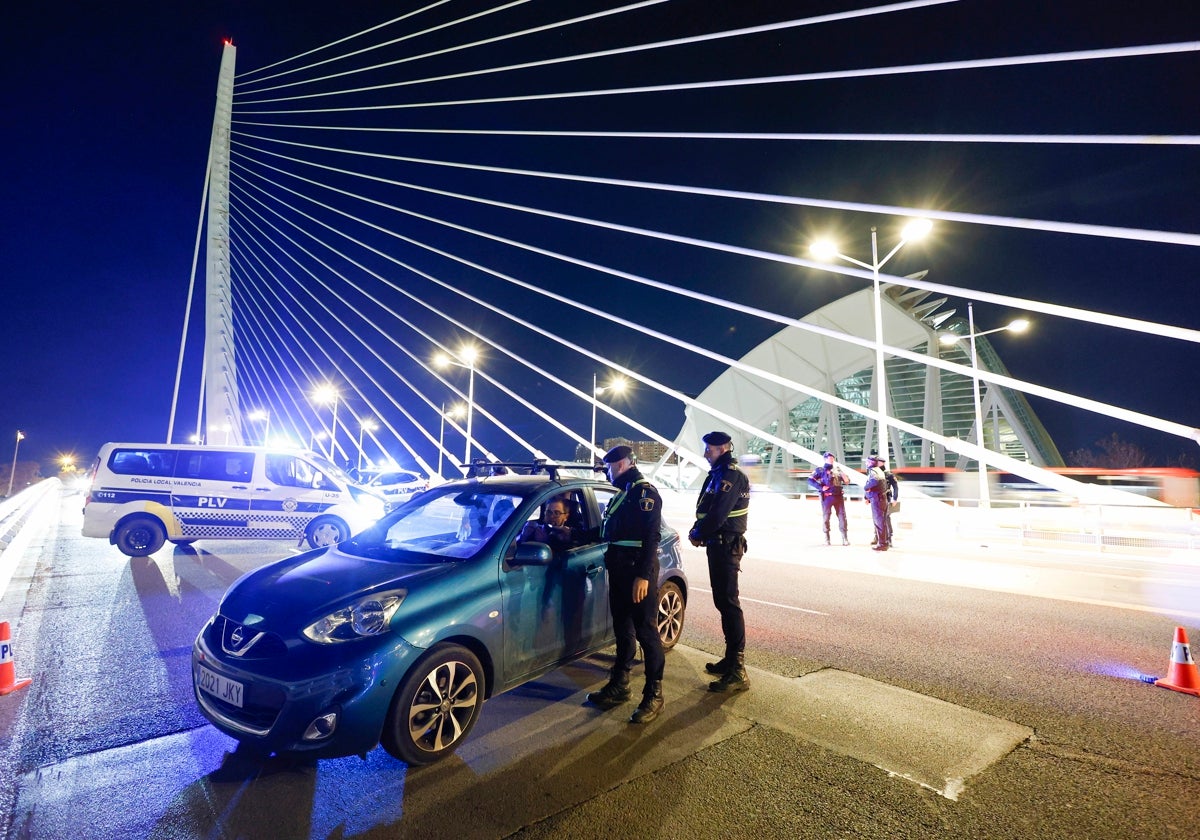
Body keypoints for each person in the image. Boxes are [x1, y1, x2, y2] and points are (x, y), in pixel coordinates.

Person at [585, 445, 666, 724]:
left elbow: (651, 537)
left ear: (620, 465)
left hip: (636, 572)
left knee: (646, 633)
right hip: (619, 570)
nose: (607, 472)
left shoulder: (645, 493)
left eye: (609, 467)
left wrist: (643, 576)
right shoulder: (626, 493)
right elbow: (611, 530)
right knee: (623, 629)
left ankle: (654, 695)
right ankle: (619, 685)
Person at [688, 431, 751, 693]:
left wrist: (697, 532)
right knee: (723, 602)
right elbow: (706, 509)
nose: (706, 454)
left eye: (709, 450)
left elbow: (717, 514)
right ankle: (730, 659)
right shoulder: (718, 473)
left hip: (726, 545)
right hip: (718, 545)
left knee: (728, 603)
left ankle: (737, 669)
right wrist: (699, 528)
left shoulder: (730, 475)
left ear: (724, 448)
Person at [808, 451, 850, 546]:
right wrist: (820, 487)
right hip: (827, 497)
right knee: (826, 517)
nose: (831, 460)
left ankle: (845, 538)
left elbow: (847, 481)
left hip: (838, 496)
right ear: (825, 459)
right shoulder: (820, 470)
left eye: (832, 458)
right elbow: (810, 480)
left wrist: (845, 477)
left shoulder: (838, 470)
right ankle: (827, 539)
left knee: (842, 517)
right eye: (829, 458)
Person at [517, 495, 582, 555]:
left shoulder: (569, 536)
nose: (551, 516)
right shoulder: (533, 530)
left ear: (566, 517)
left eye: (557, 513)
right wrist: (527, 535)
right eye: (548, 512)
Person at [864, 453, 891, 551]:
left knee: (879, 522)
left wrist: (866, 487)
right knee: (882, 522)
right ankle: (885, 542)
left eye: (867, 462)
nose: (866, 463)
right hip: (882, 499)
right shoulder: (880, 470)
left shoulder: (873, 471)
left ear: (870, 462)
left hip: (877, 500)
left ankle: (882, 544)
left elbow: (874, 481)